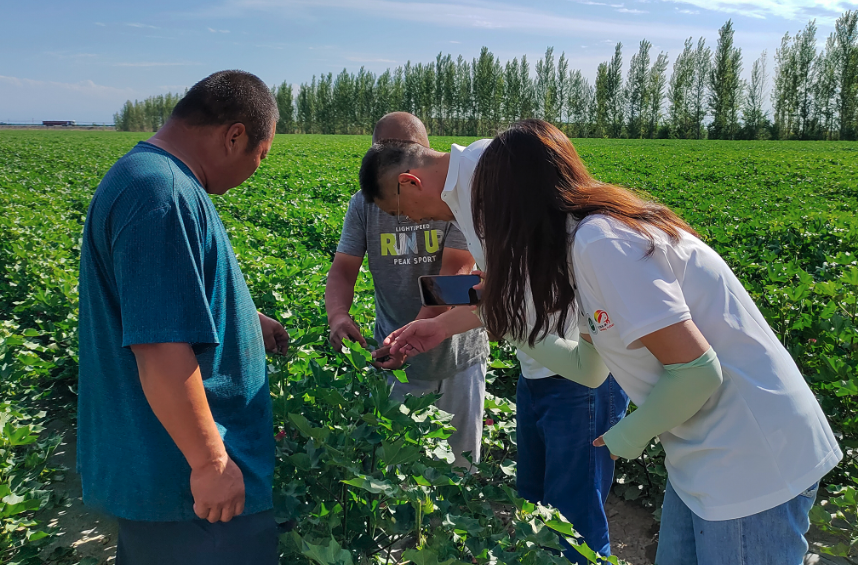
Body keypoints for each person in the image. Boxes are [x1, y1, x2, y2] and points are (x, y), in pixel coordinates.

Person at [388, 119, 844, 565]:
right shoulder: (573, 252)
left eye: (485, 203)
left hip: (754, 455)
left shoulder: (603, 242)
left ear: (516, 201)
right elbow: (591, 367)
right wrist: (513, 326)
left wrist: (630, 434)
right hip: (699, 457)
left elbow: (698, 371)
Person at [358, 133, 629, 563]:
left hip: (583, 369)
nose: (410, 220)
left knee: (575, 525)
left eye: (400, 211)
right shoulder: (467, 192)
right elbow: (499, 294)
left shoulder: (496, 173)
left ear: (409, 182)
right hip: (540, 366)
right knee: (537, 508)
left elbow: (542, 286)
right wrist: (438, 327)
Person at [77, 70, 290, 565]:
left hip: (176, 489)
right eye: (261, 156)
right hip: (190, 498)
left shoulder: (149, 178)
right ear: (234, 134)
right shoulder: (161, 193)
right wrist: (211, 462)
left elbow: (161, 301)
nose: (256, 170)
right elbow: (160, 348)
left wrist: (239, 316)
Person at [326, 112, 489, 469]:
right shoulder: (364, 204)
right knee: (399, 471)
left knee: (457, 470)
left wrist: (412, 336)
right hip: (395, 361)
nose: (411, 217)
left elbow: (458, 272)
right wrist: (338, 315)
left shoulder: (460, 195)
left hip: (458, 357)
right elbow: (342, 269)